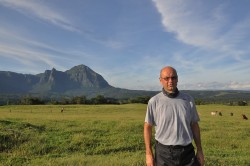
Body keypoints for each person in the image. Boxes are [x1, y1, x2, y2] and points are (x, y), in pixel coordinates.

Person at [144, 66, 204, 166]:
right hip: (164, 153)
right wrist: (148, 153)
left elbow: (194, 125)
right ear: (160, 80)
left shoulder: (188, 99)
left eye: (173, 77)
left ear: (177, 79)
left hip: (187, 152)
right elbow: (147, 127)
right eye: (166, 78)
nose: (170, 81)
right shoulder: (154, 101)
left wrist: (200, 150)